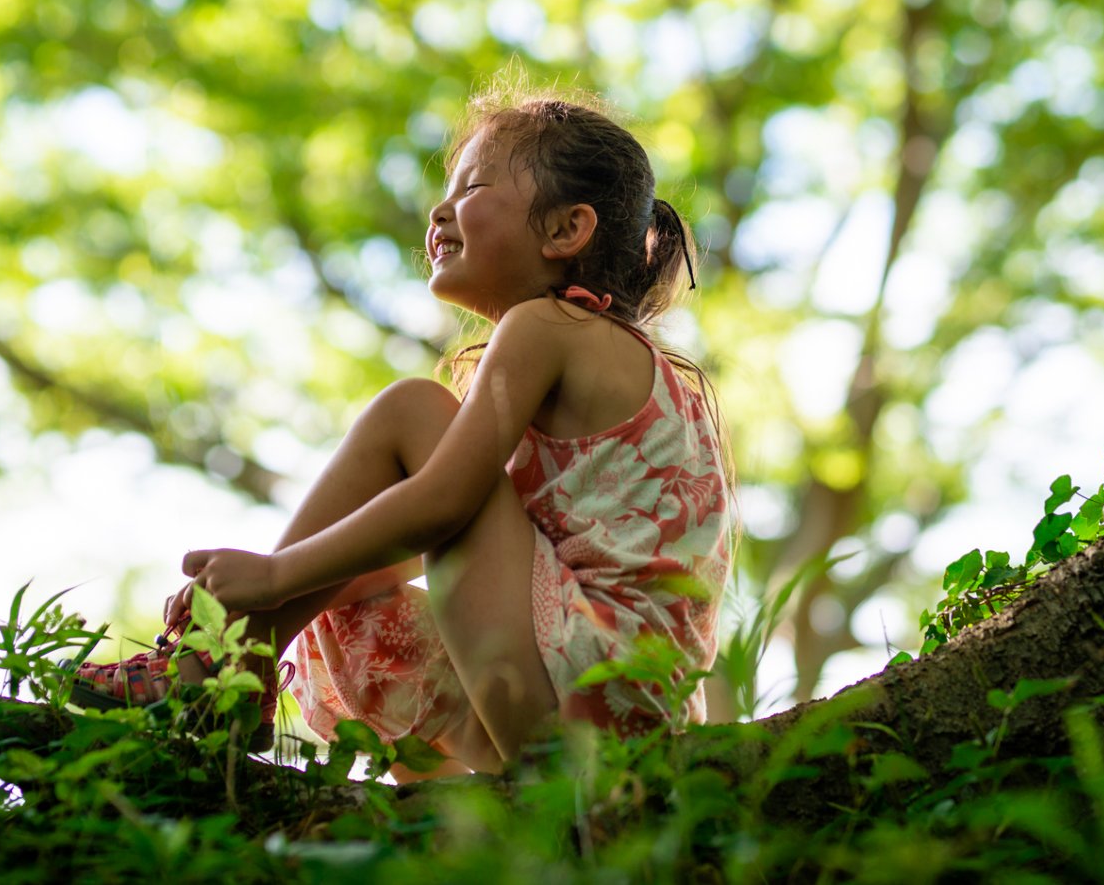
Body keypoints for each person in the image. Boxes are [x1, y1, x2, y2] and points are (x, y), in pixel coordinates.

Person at [75, 87, 734, 778]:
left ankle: (222, 670)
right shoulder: (589, 357)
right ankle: (443, 815)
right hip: (596, 722)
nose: (439, 210)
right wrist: (293, 585)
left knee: (412, 412)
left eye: (474, 186)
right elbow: (383, 553)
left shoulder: (549, 327)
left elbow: (444, 503)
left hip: (588, 700)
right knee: (335, 596)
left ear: (566, 230)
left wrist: (271, 578)